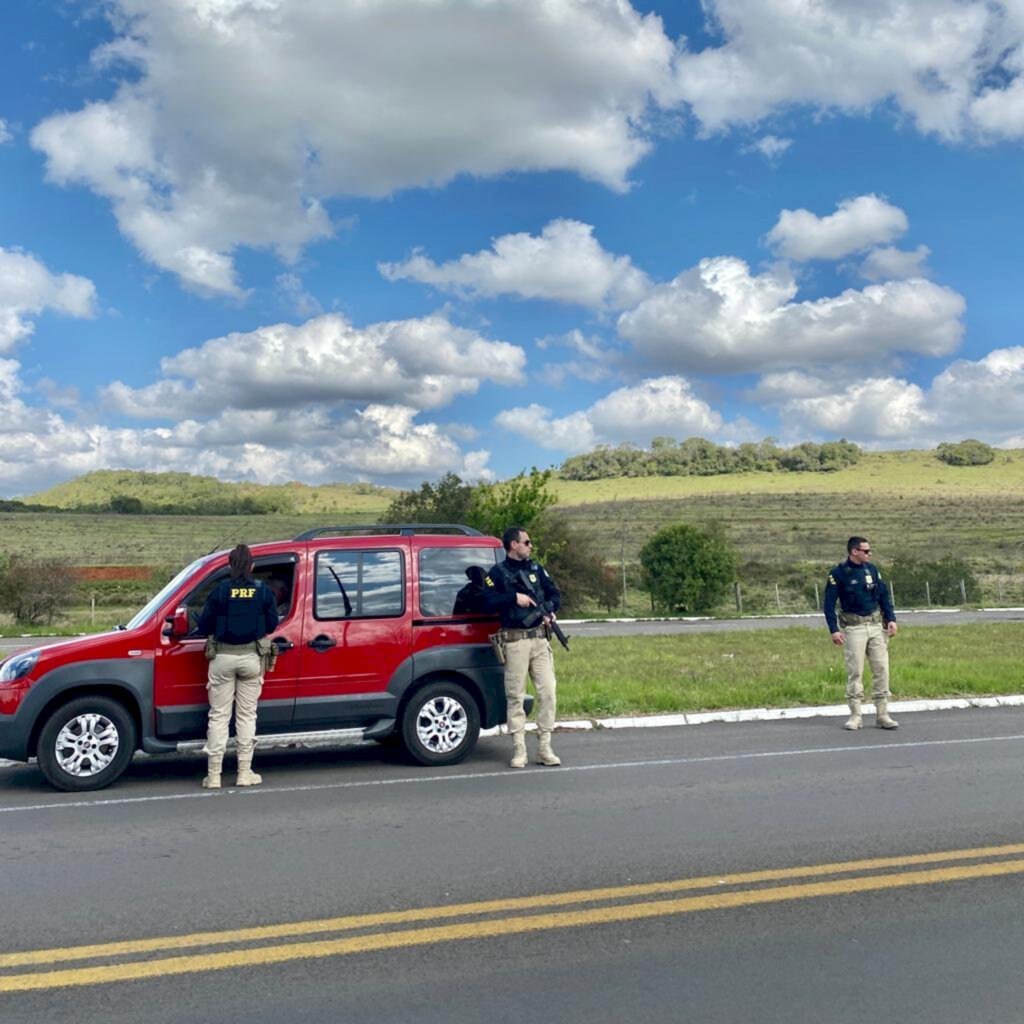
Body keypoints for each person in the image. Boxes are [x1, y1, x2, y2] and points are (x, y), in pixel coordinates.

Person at [195, 544, 279, 788]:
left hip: (222, 659)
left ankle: (213, 776)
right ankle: (244, 773)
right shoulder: (263, 592)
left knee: (219, 716)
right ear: (252, 566)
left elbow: (205, 625)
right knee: (246, 715)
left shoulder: (220, 591)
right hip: (251, 659)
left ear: (230, 566)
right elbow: (272, 625)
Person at [482, 526, 562, 768]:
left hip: (539, 638)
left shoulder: (536, 568)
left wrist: (550, 610)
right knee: (515, 696)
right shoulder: (497, 572)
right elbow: (486, 602)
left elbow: (555, 594)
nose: (530, 546)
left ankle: (545, 747)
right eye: (526, 542)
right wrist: (513, 598)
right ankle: (519, 749)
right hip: (515, 641)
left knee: (548, 692)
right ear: (513, 545)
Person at [824, 536, 899, 731]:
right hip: (854, 627)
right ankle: (856, 715)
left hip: (875, 625)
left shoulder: (871, 570)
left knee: (881, 669)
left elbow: (883, 595)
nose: (869, 554)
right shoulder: (839, 573)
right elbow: (828, 604)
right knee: (855, 671)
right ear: (854, 551)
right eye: (866, 551)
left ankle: (882, 714)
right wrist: (834, 629)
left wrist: (891, 619)